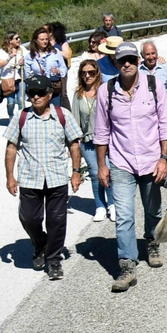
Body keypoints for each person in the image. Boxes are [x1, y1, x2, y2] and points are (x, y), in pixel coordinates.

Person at [94, 41, 167, 292]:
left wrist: (164, 158)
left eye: (131, 59)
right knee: (124, 216)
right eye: (122, 60)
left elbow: (165, 125)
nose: (127, 64)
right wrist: (102, 166)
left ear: (139, 61)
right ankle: (127, 264)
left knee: (153, 209)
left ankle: (152, 242)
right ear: (116, 64)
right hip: (121, 162)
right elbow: (101, 132)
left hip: (152, 160)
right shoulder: (106, 91)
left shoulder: (154, 86)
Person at [5, 75, 83, 281]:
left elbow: (74, 143)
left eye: (40, 93)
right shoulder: (21, 117)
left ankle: (53, 259)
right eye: (31, 93)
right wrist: (9, 177)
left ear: (50, 94)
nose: (36, 96)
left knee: (57, 220)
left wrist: (76, 171)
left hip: (56, 177)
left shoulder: (62, 115)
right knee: (29, 218)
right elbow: (11, 147)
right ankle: (40, 243)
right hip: (30, 178)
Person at [71, 59, 112, 221]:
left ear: (97, 74)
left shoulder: (104, 91)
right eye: (84, 73)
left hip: (105, 140)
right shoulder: (78, 95)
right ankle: (100, 206)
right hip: (87, 141)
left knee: (107, 171)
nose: (87, 76)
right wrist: (74, 144)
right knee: (95, 173)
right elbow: (74, 120)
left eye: (91, 72)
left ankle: (113, 204)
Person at [25, 24, 68, 109]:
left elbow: (64, 68)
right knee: (41, 112)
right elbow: (27, 75)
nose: (45, 41)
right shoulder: (30, 56)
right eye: (42, 39)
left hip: (53, 88)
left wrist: (58, 71)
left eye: (46, 39)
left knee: (55, 110)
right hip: (38, 90)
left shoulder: (55, 52)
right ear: (36, 40)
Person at [0, 31, 24, 120]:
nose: (19, 40)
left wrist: (23, 62)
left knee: (21, 100)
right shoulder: (3, 51)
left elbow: (29, 57)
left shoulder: (22, 49)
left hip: (21, 78)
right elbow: (0, 64)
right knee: (10, 102)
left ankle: (21, 119)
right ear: (10, 40)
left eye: (19, 38)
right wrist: (10, 57)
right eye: (16, 38)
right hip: (8, 79)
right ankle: (11, 116)